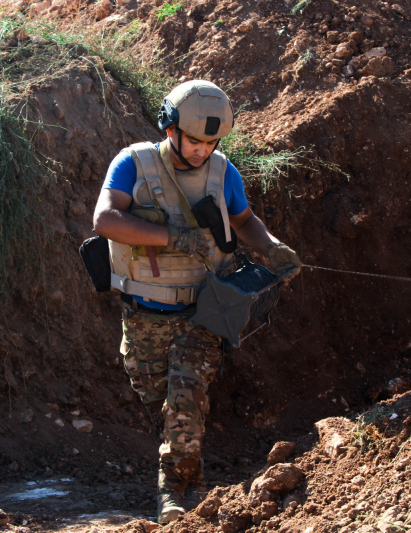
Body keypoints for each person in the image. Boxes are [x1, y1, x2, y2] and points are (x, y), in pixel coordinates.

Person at [92, 80, 303, 524]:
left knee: (184, 404)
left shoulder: (223, 172)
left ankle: (171, 493)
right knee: (166, 413)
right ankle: (196, 481)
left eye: (210, 143)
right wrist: (172, 236)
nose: (201, 151)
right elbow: (106, 219)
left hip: (203, 314)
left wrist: (272, 247)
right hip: (144, 317)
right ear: (170, 129)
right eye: (194, 140)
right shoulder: (134, 164)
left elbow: (243, 220)